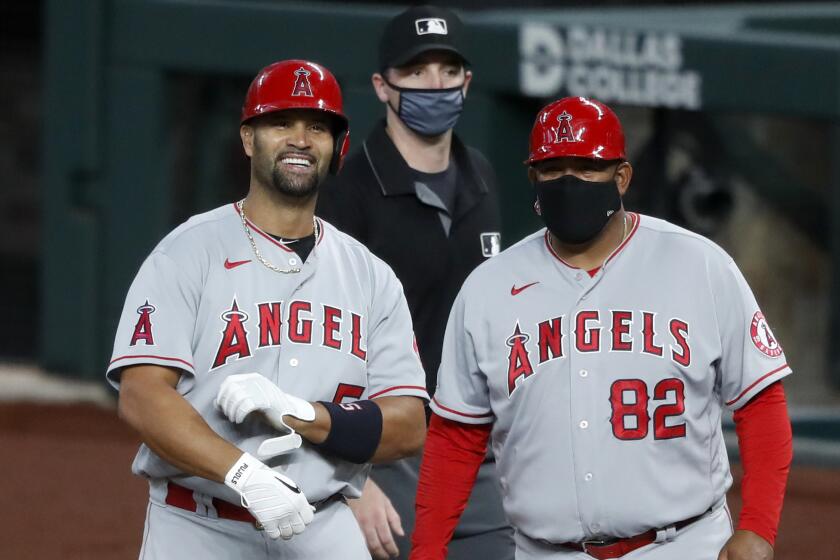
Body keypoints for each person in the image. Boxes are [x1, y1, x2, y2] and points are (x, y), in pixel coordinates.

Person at [410, 96, 793, 560]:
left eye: (586, 168)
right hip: (546, 551)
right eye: (553, 169)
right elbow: (457, 435)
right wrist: (425, 550)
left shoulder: (699, 265)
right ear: (533, 177)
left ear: (622, 176)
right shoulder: (488, 288)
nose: (568, 182)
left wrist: (758, 526)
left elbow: (760, 402)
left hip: (682, 544)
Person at [107, 59, 429, 559]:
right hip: (200, 526)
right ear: (248, 139)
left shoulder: (370, 276)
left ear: (337, 147)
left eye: (317, 127)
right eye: (281, 122)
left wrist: (304, 415)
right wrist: (243, 473)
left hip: (323, 523)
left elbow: (408, 422)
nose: (300, 139)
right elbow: (142, 395)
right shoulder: (187, 253)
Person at [316, 5, 512, 560]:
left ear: (467, 82)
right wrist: (346, 479)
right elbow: (315, 341)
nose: (436, 85)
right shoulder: (346, 192)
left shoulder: (483, 176)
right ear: (383, 86)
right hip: (384, 451)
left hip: (477, 450)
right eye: (418, 70)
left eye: (449, 71)